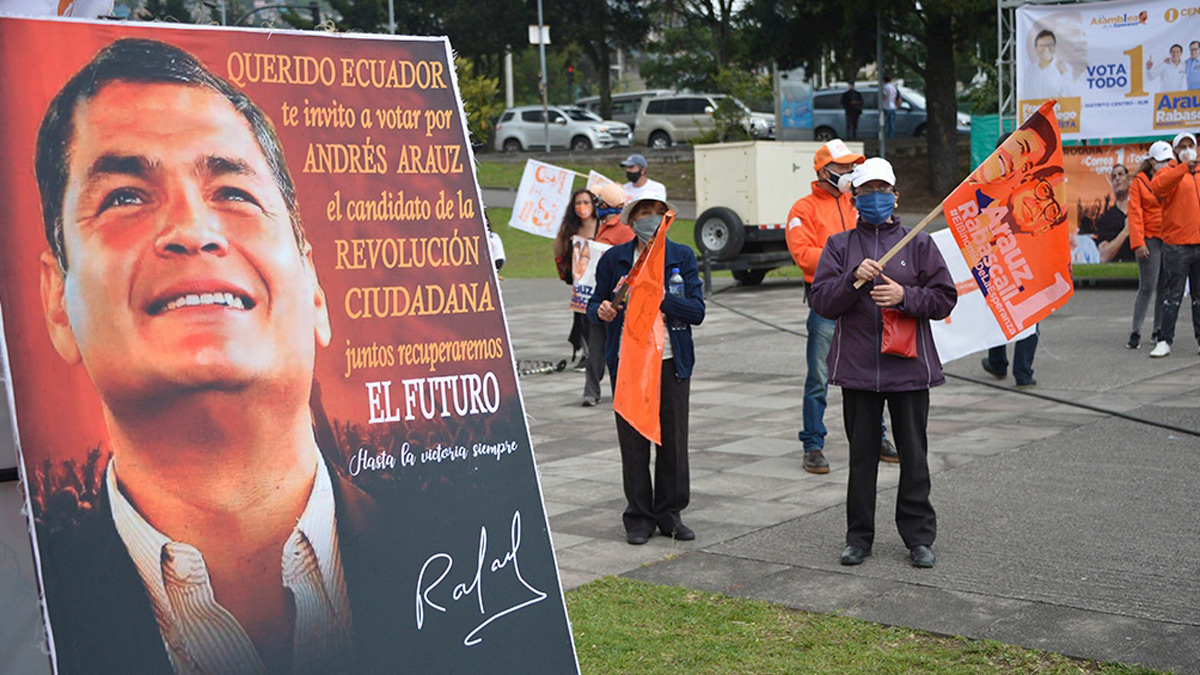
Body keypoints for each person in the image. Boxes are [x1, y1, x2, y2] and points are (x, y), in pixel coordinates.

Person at [31, 38, 404, 673]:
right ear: (58, 302)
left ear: (314, 290)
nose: (194, 231)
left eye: (233, 191)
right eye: (124, 196)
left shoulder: (455, 546)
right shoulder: (29, 612)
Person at [810, 157, 956, 569]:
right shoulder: (840, 246)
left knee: (914, 456)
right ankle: (859, 537)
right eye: (867, 191)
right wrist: (852, 279)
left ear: (896, 195)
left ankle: (918, 539)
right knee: (861, 458)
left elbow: (945, 297)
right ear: (855, 198)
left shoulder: (919, 242)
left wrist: (905, 297)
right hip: (858, 369)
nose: (876, 198)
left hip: (909, 369)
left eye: (883, 190)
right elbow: (822, 301)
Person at [587, 190, 704, 546]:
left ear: (667, 217)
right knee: (633, 441)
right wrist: (602, 310)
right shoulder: (615, 259)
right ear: (632, 220)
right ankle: (638, 517)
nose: (650, 218)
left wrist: (658, 296)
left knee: (673, 440)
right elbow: (595, 304)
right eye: (643, 213)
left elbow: (696, 311)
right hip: (629, 362)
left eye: (657, 212)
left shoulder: (681, 257)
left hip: (670, 360)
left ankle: (669, 514)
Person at [784, 139, 897, 475]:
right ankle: (813, 443)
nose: (850, 172)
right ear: (823, 171)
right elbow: (803, 256)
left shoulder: (858, 203)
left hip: (865, 303)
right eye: (843, 167)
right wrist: (847, 262)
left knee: (871, 370)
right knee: (819, 375)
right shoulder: (802, 209)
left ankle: (878, 437)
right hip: (828, 302)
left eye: (852, 166)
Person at [1148, 132, 1200, 358]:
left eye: (1191, 145)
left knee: (1199, 297)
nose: (1187, 149)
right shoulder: (1168, 171)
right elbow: (1158, 187)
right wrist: (1183, 167)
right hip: (1177, 245)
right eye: (1182, 146)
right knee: (1173, 295)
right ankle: (1164, 340)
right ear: (1176, 150)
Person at [1126, 141, 1173, 349]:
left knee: (1164, 285)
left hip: (1170, 237)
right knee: (1148, 286)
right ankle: (1136, 331)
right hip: (1150, 238)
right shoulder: (1139, 182)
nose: (1166, 164)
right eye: (1162, 161)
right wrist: (1138, 243)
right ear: (1152, 162)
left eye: (1168, 161)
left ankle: (1158, 330)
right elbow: (1135, 213)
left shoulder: (1173, 178)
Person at [555, 188, 599, 374]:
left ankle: (600, 354)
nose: (582, 207)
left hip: (600, 279)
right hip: (581, 282)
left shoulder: (601, 224)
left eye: (586, 202)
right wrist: (564, 237)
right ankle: (587, 355)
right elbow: (558, 253)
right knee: (582, 319)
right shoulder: (571, 228)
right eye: (578, 203)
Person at [1093, 164, 1133, 263]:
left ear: (1128, 180)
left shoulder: (1140, 210)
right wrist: (1125, 232)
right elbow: (1104, 257)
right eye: (1114, 177)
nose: (1117, 179)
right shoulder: (1106, 218)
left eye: (1120, 174)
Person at [1025, 29, 1074, 100]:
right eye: (1042, 45)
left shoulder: (1064, 68)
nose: (1046, 49)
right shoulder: (1030, 70)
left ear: (1055, 47)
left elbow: (1072, 96)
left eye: (1049, 45)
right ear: (1036, 48)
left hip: (1056, 110)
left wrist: (1063, 73)